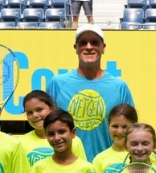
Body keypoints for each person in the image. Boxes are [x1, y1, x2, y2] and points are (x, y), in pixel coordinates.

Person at [47, 25, 135, 159]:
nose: (89, 47)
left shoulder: (119, 86)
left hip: (108, 169)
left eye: (94, 42)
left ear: (103, 47)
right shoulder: (57, 83)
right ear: (75, 48)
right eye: (83, 43)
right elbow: (49, 130)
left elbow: (132, 130)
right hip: (70, 170)